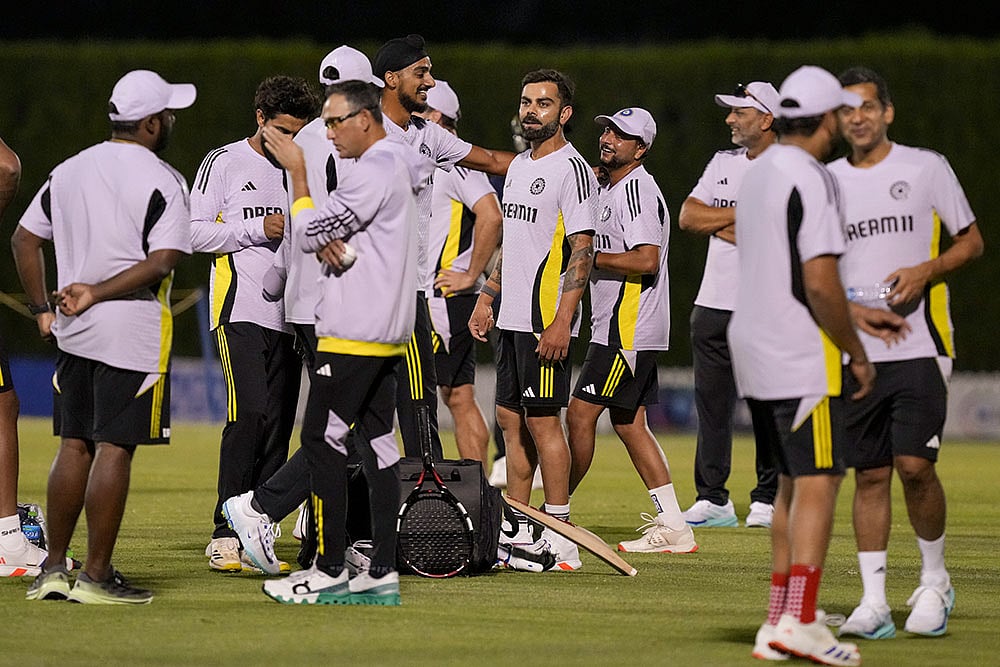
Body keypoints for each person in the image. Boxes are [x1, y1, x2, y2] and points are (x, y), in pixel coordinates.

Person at [236, 79, 434, 605]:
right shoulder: (399, 160)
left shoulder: (373, 168)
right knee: (379, 446)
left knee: (322, 442)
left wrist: (298, 171)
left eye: (333, 121)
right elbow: (346, 245)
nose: (326, 132)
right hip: (384, 326)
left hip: (356, 330)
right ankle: (381, 574)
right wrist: (337, 249)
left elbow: (310, 233)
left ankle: (328, 571)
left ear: (365, 119)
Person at [11, 69, 196, 603]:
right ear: (153, 124)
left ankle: (52, 569)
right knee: (114, 447)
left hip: (72, 332)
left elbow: (24, 241)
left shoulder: (69, 169)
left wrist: (43, 311)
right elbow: (162, 262)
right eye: (169, 115)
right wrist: (95, 291)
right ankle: (94, 575)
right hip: (131, 330)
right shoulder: (164, 179)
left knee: (74, 444)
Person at [727, 65, 873, 665]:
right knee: (817, 481)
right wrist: (856, 351)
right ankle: (804, 621)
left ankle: (778, 618)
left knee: (789, 483)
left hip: (753, 343)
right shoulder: (815, 176)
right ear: (828, 118)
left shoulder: (758, 171)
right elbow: (818, 280)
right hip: (799, 351)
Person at [831, 66, 983, 640]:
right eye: (847, 110)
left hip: (921, 342)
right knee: (869, 473)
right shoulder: (828, 181)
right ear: (838, 120)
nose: (859, 117)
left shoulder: (925, 166)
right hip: (855, 349)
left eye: (868, 106)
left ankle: (935, 579)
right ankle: (873, 602)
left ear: (887, 111)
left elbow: (971, 240)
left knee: (915, 467)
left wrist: (927, 268)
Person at [240, 45, 384, 571]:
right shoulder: (356, 141)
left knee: (348, 425)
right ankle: (263, 509)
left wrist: (281, 278)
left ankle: (324, 544)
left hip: (306, 302)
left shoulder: (301, 139)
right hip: (338, 301)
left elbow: (297, 220)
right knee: (345, 427)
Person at [469, 69, 598, 571]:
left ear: (564, 114)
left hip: (547, 321)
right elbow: (513, 244)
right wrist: (487, 296)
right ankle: (519, 530)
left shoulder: (573, 169)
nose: (531, 111)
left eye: (543, 104)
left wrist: (563, 321)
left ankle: (559, 534)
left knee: (545, 422)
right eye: (526, 102)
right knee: (508, 421)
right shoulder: (520, 165)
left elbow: (581, 251)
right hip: (511, 320)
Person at [189, 75, 318, 573]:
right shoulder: (224, 162)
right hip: (239, 309)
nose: (290, 141)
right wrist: (254, 228)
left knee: (280, 426)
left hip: (290, 317)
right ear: (260, 119)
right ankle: (224, 531)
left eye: (299, 131)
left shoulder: (301, 167)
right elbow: (194, 231)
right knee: (250, 416)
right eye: (282, 130)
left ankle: (258, 524)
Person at [372, 34, 515, 460]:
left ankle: (442, 494)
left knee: (423, 401)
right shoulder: (360, 131)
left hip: (421, 295)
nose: (430, 82)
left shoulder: (428, 137)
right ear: (390, 78)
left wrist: (559, 162)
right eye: (422, 73)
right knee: (360, 403)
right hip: (367, 292)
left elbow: (489, 160)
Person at [564, 108, 697, 555]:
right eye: (606, 129)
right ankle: (675, 526)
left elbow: (645, 259)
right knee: (629, 423)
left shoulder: (637, 189)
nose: (608, 138)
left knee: (580, 415)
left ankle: (552, 512)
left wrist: (589, 257)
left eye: (621, 136)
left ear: (640, 150)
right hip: (625, 326)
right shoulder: (614, 187)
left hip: (628, 328)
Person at [678, 81, 780, 529]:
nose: (730, 119)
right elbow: (688, 216)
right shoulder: (723, 162)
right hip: (713, 302)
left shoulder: (790, 166)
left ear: (766, 118)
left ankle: (769, 497)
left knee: (767, 404)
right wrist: (745, 216)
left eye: (739, 111)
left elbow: (778, 236)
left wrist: (719, 221)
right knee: (712, 407)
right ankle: (713, 497)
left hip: (764, 302)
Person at [419, 79, 502, 464]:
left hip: (444, 297)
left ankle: (472, 491)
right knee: (456, 395)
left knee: (450, 395)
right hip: (439, 297)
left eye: (420, 109)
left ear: (436, 116)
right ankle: (477, 493)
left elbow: (491, 213)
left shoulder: (452, 159)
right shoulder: (429, 154)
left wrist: (470, 274)